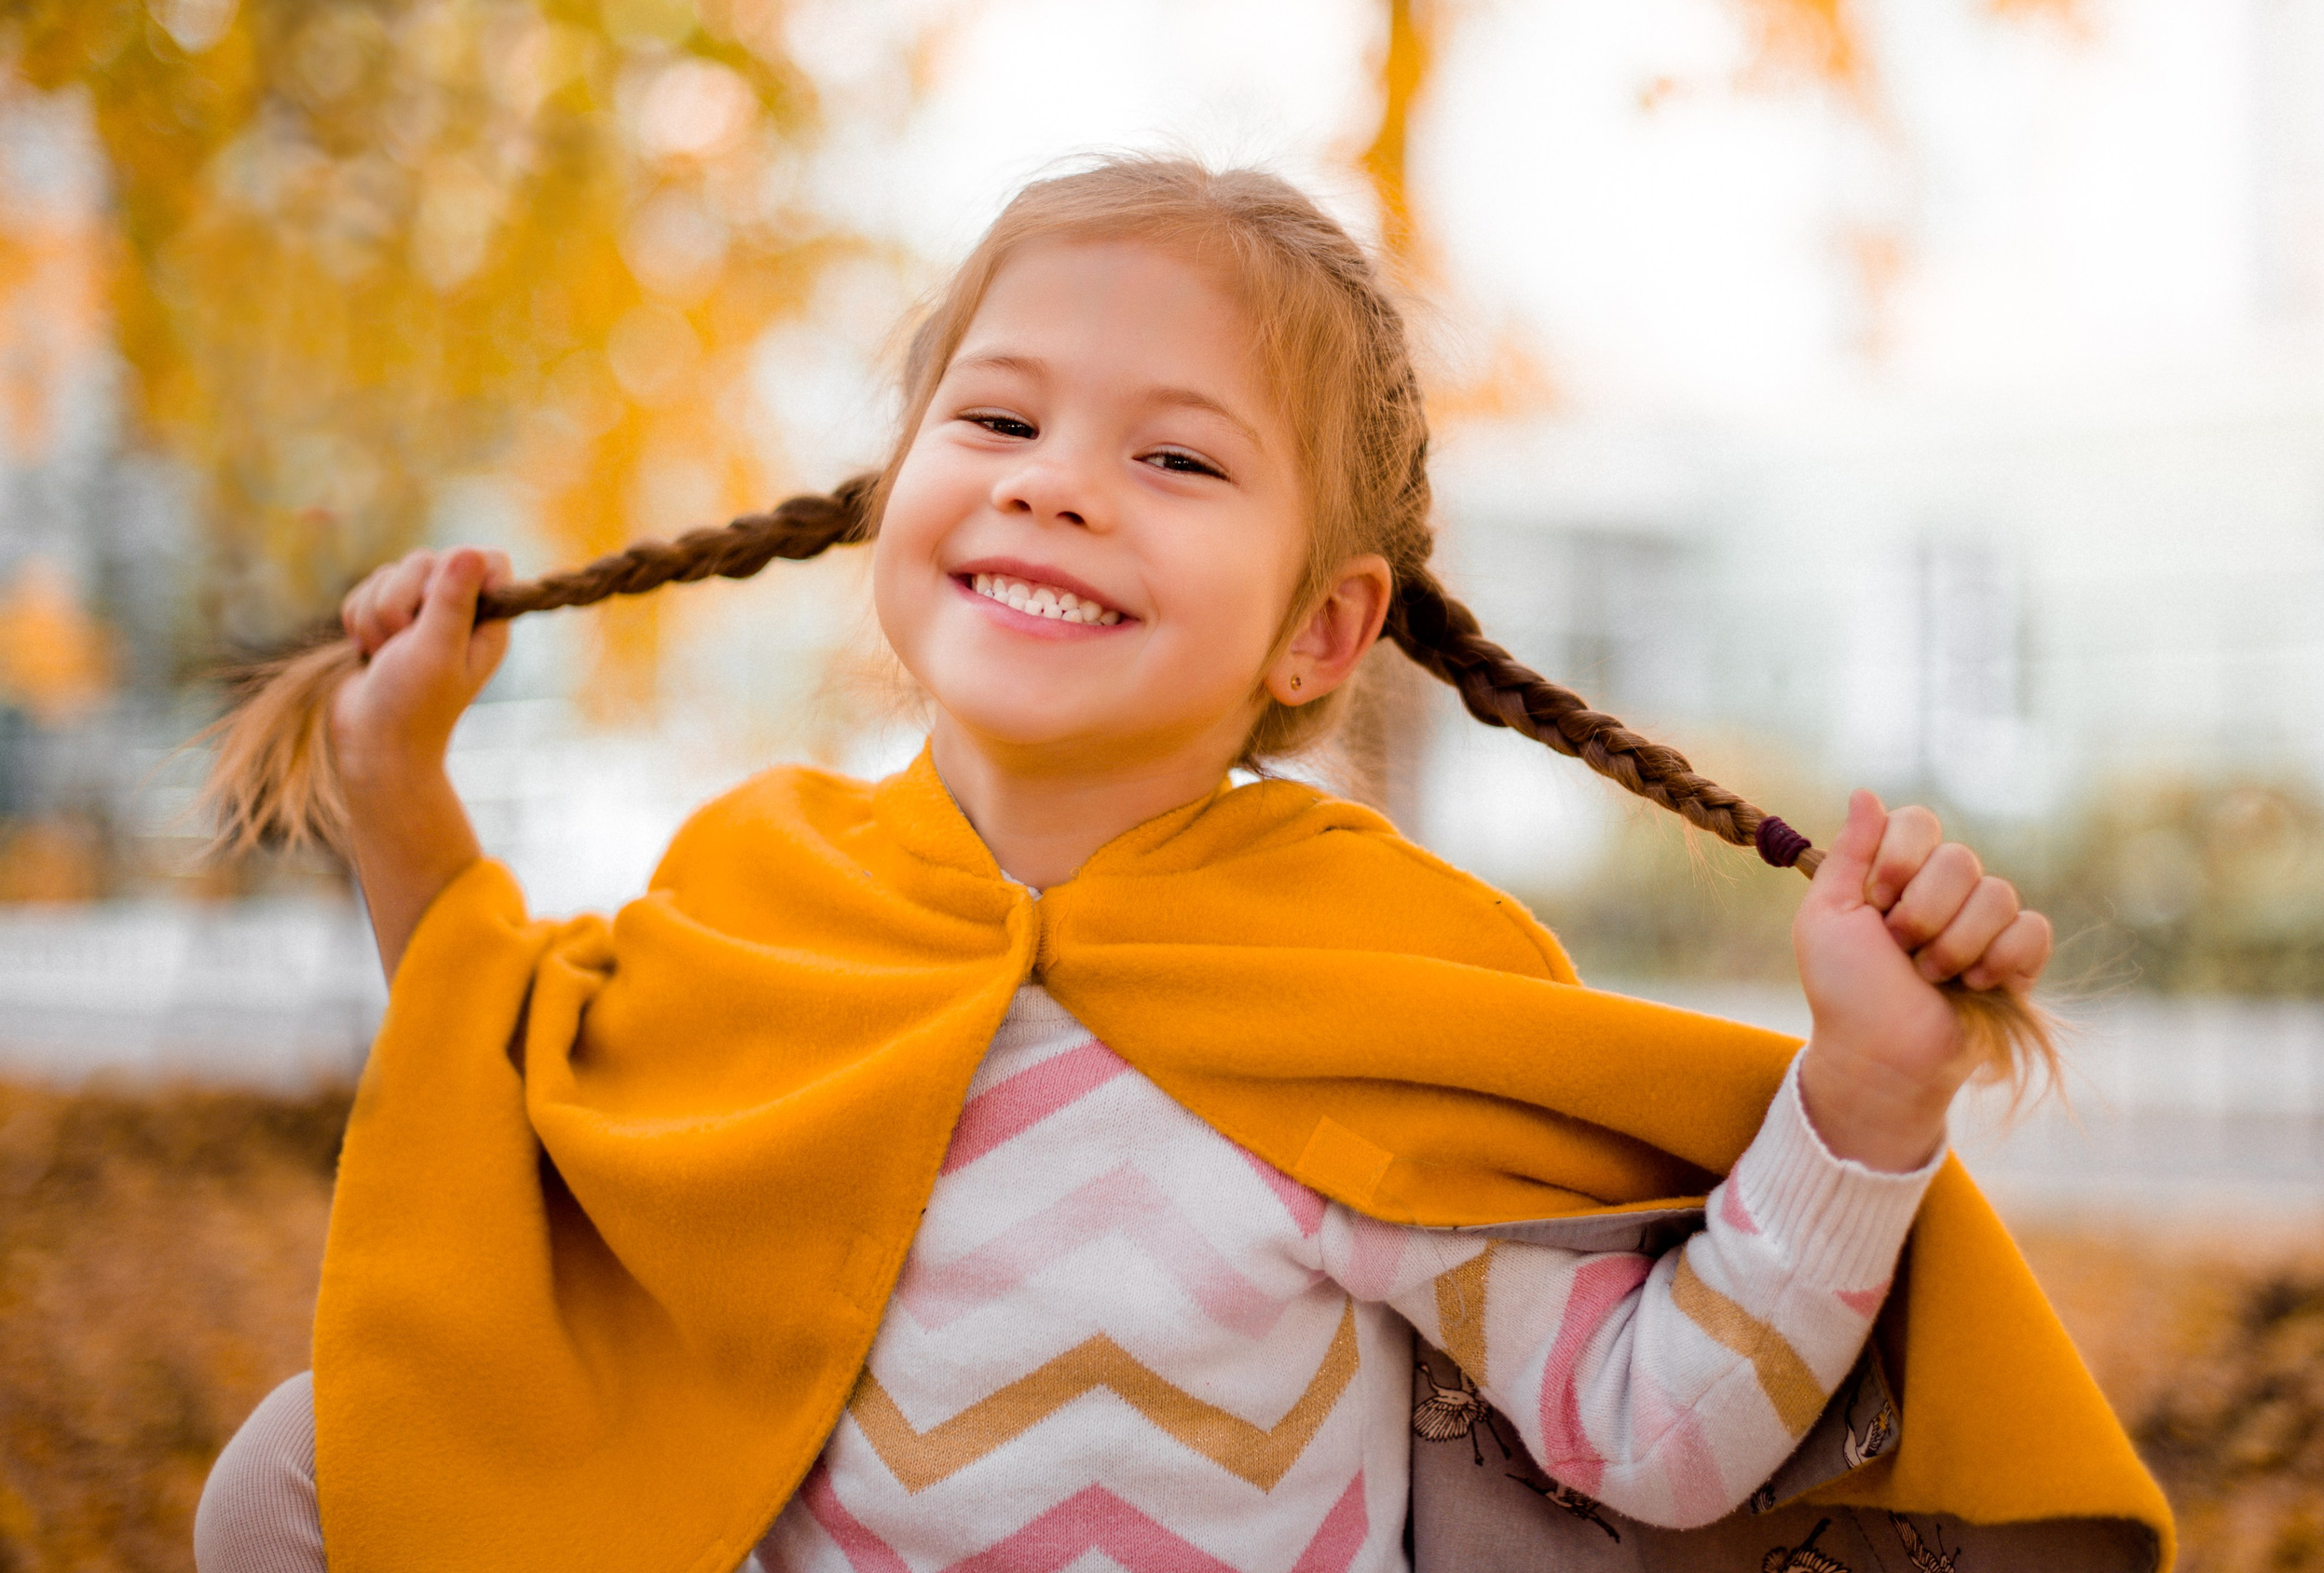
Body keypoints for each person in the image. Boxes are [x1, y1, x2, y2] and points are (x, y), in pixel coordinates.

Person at [195, 158, 2168, 1573]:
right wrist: (396, 795)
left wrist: (1865, 1096)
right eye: (1000, 415)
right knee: (304, 1478)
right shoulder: (762, 878)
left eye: (1177, 459)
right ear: (899, 495)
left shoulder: (1375, 975)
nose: (1054, 477)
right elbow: (523, 1089)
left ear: (1320, 633)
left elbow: (1655, 1436)